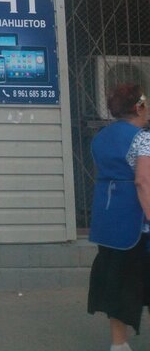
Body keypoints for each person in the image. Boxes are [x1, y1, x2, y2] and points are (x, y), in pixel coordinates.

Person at [87, 82, 150, 351]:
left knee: (117, 282)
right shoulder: (143, 138)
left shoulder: (100, 137)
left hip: (108, 221)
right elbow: (143, 182)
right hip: (137, 225)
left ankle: (119, 344)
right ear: (139, 106)